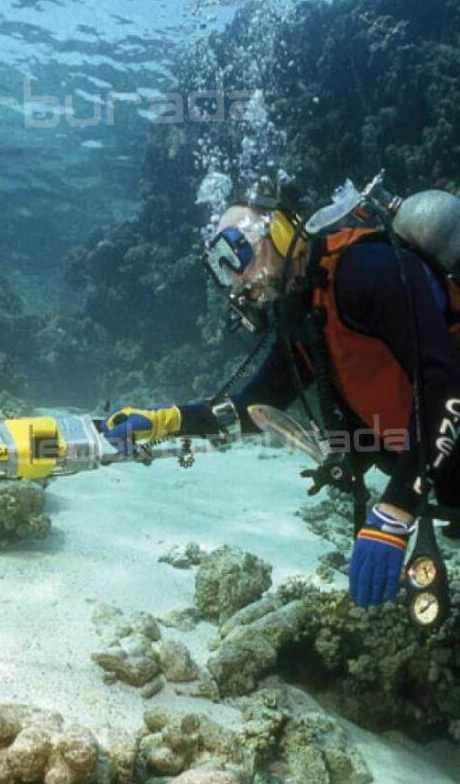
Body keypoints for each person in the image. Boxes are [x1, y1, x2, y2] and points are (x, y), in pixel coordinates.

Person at [102, 192, 460, 609]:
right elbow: (254, 410)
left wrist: (395, 511)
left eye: (238, 254)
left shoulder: (365, 272)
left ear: (282, 232)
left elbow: (446, 387)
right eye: (221, 270)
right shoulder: (305, 318)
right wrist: (165, 421)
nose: (235, 280)